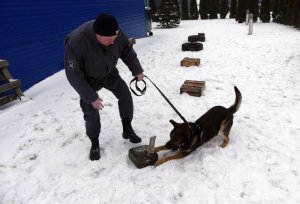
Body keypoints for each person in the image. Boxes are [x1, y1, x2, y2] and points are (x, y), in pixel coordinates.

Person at [64, 13, 144, 161]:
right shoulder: (77, 42)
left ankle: (127, 128)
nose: (113, 42)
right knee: (91, 110)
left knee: (125, 95)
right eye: (109, 40)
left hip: (109, 73)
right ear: (97, 35)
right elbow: (73, 75)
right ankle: (94, 142)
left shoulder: (115, 32)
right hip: (88, 80)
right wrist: (91, 97)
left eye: (114, 39)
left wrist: (137, 69)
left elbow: (126, 50)